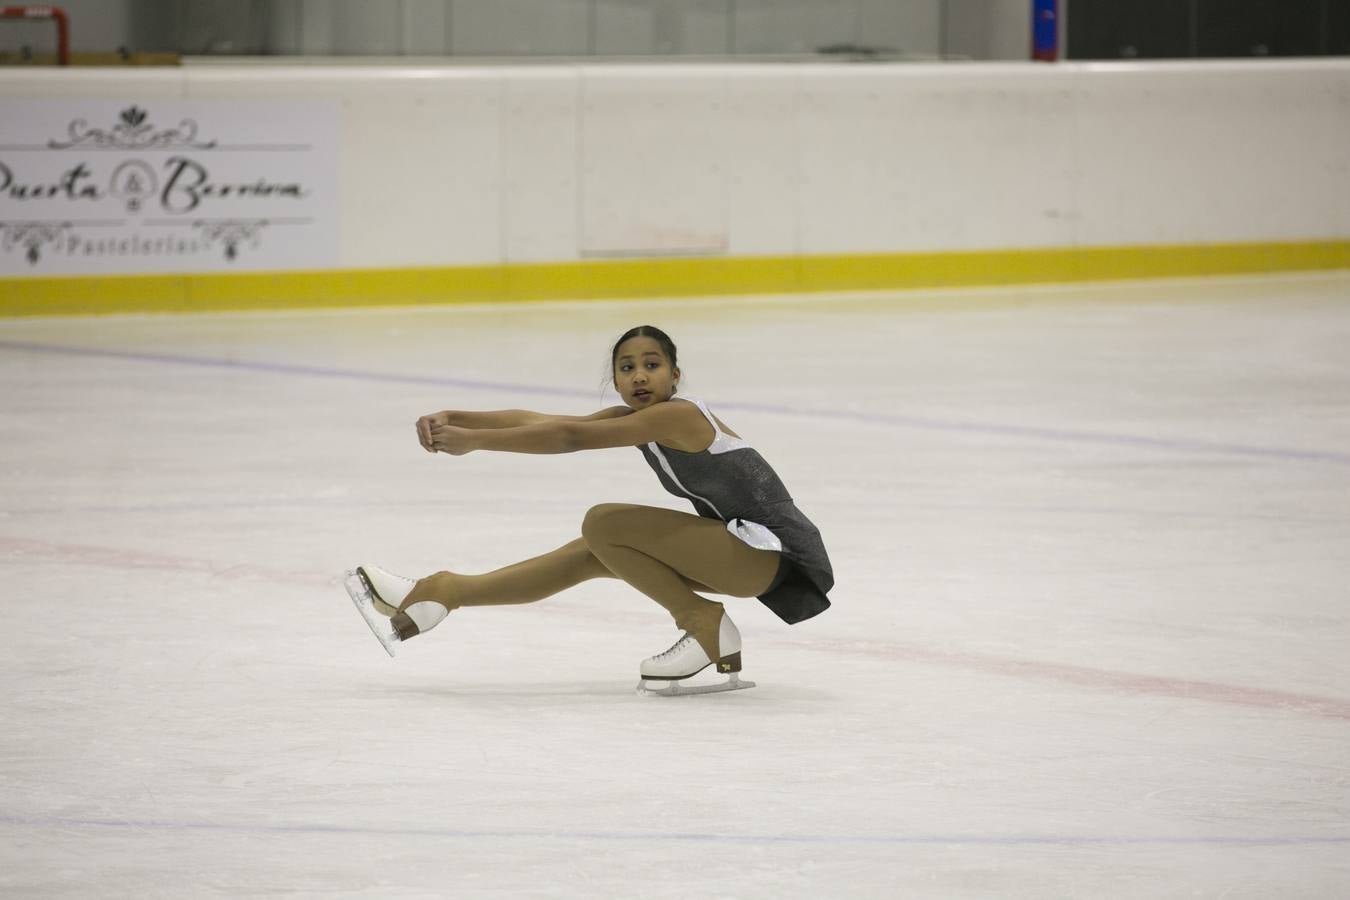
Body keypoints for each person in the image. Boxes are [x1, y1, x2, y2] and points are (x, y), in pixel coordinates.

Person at [344, 325, 833, 694]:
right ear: (616, 381)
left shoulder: (678, 416)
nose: (639, 375)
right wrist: (460, 417)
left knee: (606, 522)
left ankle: (703, 625)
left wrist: (474, 443)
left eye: (652, 364)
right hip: (749, 555)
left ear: (675, 376)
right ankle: (441, 593)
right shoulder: (639, 419)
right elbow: (546, 421)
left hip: (774, 554)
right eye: (626, 368)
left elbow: (570, 438)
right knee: (593, 551)